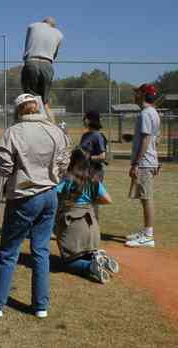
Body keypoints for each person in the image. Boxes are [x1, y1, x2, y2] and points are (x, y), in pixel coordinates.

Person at [0, 93, 69, 319]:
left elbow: (3, 169)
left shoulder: (13, 132)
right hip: (50, 195)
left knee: (9, 251)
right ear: (37, 108)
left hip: (24, 196)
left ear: (18, 110)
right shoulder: (55, 130)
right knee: (41, 250)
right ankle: (41, 306)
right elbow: (64, 162)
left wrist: (14, 172)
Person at [55, 148, 119, 284]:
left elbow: (53, 195)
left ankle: (91, 266)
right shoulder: (94, 179)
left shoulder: (68, 178)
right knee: (85, 250)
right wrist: (90, 201)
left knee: (67, 262)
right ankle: (97, 256)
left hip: (73, 224)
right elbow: (108, 200)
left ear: (72, 160)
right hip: (91, 225)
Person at [125, 84, 161, 248]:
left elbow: (147, 140)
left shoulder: (146, 113)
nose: (135, 95)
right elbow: (155, 140)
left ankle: (148, 236)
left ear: (144, 94)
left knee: (146, 198)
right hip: (149, 161)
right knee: (144, 198)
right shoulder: (153, 113)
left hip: (144, 163)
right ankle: (146, 232)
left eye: (138, 92)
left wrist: (136, 163)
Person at [21, 17, 63, 124]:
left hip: (32, 62)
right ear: (53, 26)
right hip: (47, 65)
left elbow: (27, 46)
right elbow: (54, 55)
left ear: (43, 22)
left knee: (30, 100)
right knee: (45, 103)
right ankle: (54, 130)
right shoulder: (59, 34)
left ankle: (31, 129)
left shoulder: (33, 26)